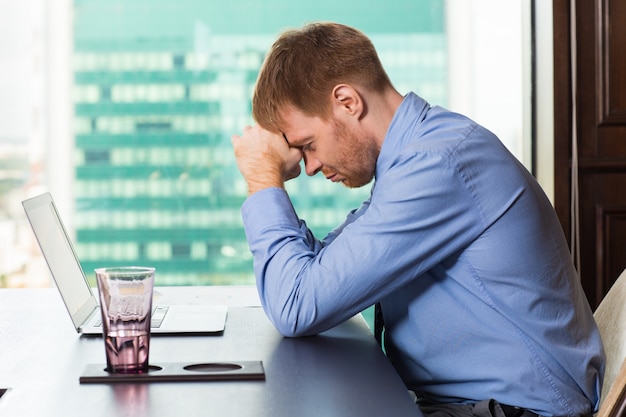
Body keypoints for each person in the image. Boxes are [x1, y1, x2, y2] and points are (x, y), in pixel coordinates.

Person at [231, 22, 604, 417]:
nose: (309, 166)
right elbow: (321, 272)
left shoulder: (437, 165)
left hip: (521, 411)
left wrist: (262, 176)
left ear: (347, 101)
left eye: (308, 144)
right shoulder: (412, 161)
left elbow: (296, 304)